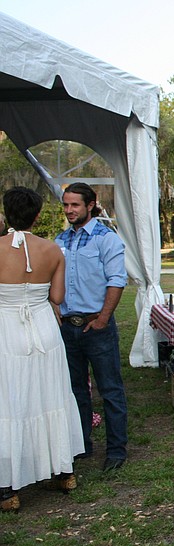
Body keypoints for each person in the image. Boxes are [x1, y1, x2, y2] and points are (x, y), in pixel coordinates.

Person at [1, 187, 85, 512]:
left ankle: (8, 489)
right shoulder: (53, 250)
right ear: (37, 216)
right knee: (50, 395)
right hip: (44, 331)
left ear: (7, 212)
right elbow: (58, 297)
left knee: (9, 401)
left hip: (6, 332)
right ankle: (64, 472)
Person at [55, 182, 128, 472]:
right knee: (75, 391)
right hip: (67, 327)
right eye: (66, 205)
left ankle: (116, 450)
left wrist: (102, 318)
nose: (69, 210)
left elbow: (116, 280)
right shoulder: (61, 240)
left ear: (90, 204)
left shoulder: (105, 239)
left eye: (74, 205)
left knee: (110, 389)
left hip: (96, 327)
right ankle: (82, 445)